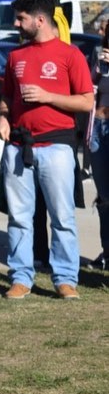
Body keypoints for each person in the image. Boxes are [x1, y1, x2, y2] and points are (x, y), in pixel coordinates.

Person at [0, 0, 93, 300]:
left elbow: (87, 101)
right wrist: (3, 117)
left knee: (62, 216)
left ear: (40, 19)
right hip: (19, 146)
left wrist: (49, 97)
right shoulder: (16, 56)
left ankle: (65, 279)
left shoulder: (70, 55)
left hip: (57, 148)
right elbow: (7, 98)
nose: (16, 23)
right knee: (20, 217)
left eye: (21, 18)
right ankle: (21, 277)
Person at [89, 32, 109, 269]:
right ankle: (107, 251)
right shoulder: (101, 59)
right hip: (98, 128)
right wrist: (97, 70)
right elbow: (88, 89)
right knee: (104, 197)